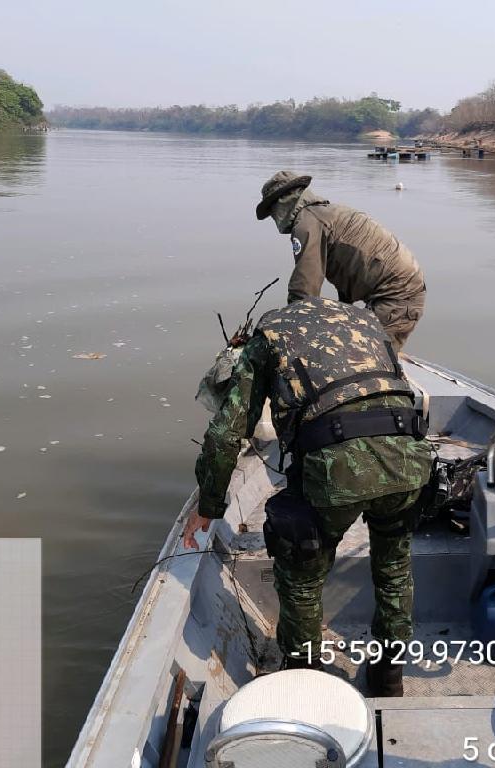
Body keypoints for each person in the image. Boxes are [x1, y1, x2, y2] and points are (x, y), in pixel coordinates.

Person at [183, 296, 433, 695]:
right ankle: (389, 677)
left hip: (336, 468)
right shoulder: (365, 321)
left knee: (301, 568)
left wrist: (209, 507)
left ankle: (303, 677)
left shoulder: (268, 335)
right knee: (395, 569)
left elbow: (226, 433)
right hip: (410, 459)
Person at [255, 171, 426, 352]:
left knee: (363, 360)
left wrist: (291, 332)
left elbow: (304, 287)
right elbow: (349, 268)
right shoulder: (326, 213)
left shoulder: (307, 225)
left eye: (272, 210)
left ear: (282, 202)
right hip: (399, 287)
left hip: (398, 295)